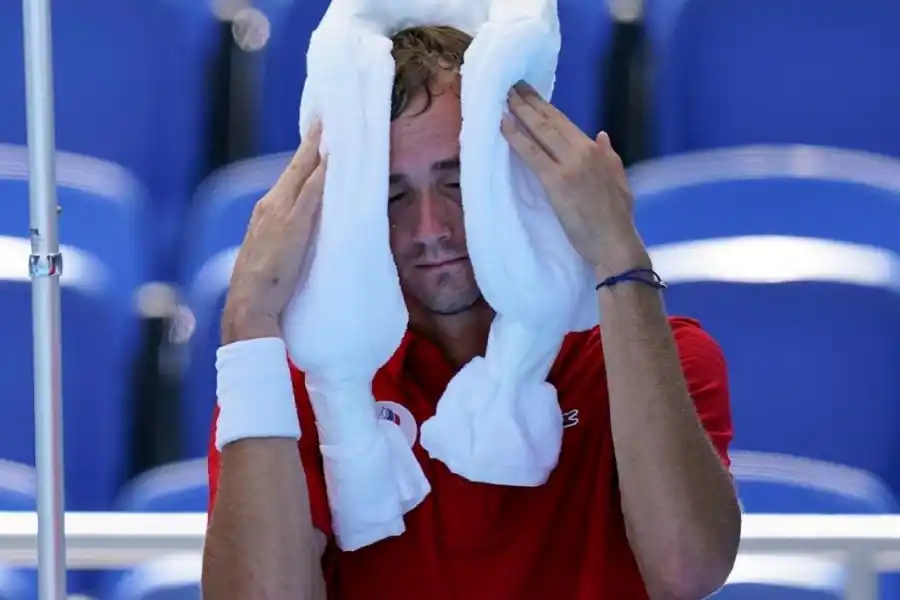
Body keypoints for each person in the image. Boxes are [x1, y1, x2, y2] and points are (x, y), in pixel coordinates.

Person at [202, 25, 741, 600]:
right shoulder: (294, 384)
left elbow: (687, 571)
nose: (430, 229)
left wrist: (618, 254)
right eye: (392, 196)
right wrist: (247, 324)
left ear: (519, 176)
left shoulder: (651, 357)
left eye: (457, 181)